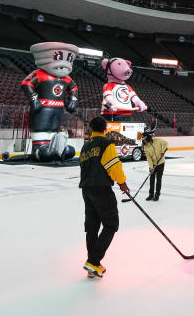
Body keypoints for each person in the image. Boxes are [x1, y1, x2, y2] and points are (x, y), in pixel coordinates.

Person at [79, 116, 129, 278]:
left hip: (87, 190)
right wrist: (122, 182)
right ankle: (93, 261)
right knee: (111, 224)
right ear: (105, 129)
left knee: (92, 227)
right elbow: (113, 166)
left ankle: (92, 264)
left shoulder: (85, 147)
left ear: (91, 129)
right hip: (102, 189)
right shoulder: (106, 144)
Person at [142, 131, 168, 201]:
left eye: (145, 139)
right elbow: (149, 158)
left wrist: (162, 151)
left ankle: (157, 195)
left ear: (148, 138)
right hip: (153, 164)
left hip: (161, 163)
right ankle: (151, 195)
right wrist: (151, 167)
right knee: (151, 179)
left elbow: (166, 144)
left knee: (158, 179)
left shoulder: (157, 140)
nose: (144, 141)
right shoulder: (146, 147)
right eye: (143, 140)